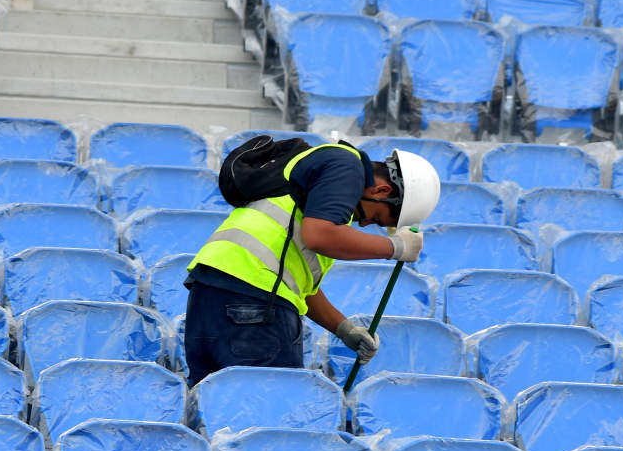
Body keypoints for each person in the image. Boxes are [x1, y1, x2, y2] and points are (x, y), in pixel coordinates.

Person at [183, 140, 440, 386]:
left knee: (213, 413)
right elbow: (319, 235)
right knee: (270, 418)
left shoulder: (320, 180)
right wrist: (396, 247)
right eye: (376, 218)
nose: (363, 224)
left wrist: (344, 329)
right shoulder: (347, 167)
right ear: (381, 190)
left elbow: (299, 284)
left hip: (208, 295)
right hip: (254, 306)